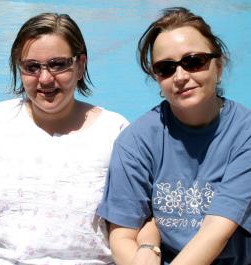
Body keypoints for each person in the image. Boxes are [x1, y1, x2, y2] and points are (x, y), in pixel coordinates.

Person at [97, 7, 251, 265]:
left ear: (219, 65)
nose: (180, 76)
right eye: (166, 68)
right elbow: (123, 234)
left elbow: (216, 230)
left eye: (194, 61)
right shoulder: (136, 140)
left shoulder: (244, 133)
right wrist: (146, 246)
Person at [0, 12, 130, 264]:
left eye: (58, 64)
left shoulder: (115, 131)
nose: (45, 78)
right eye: (32, 67)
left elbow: (128, 223)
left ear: (80, 65)